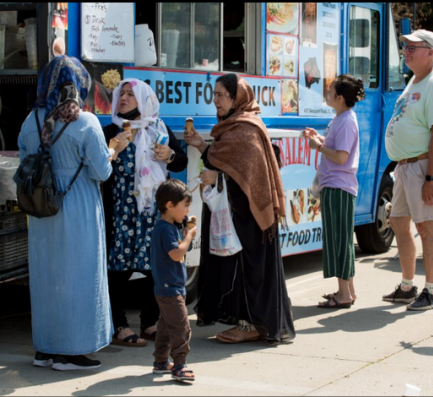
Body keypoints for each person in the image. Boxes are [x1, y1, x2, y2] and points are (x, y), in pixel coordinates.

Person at [184, 73, 295, 345]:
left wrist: (218, 178)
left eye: (221, 95)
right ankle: (247, 322)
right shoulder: (230, 127)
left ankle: (252, 325)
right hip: (239, 215)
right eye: (215, 95)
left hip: (252, 219)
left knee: (251, 270)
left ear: (236, 98)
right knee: (239, 268)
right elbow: (225, 161)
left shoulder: (246, 129)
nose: (216, 100)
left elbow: (248, 177)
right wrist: (200, 144)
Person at [18, 55, 113, 370]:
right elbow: (101, 172)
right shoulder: (85, 122)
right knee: (78, 277)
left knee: (48, 279)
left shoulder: (30, 121)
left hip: (42, 212)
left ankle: (45, 349)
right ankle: (70, 352)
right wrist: (112, 152)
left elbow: (25, 163)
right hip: (78, 210)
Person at [102, 78, 188, 347]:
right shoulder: (110, 132)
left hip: (151, 212)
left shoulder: (158, 129)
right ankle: (119, 325)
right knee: (117, 268)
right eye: (121, 94)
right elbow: (98, 170)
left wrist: (169, 156)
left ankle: (150, 322)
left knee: (155, 267)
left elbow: (181, 161)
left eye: (131, 94)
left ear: (144, 99)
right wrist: (114, 150)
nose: (124, 98)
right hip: (121, 212)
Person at [382, 30, 433, 311]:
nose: (406, 52)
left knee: (426, 226)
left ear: (431, 52)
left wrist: (431, 178)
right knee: (399, 222)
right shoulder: (416, 79)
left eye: (413, 47)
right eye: (405, 47)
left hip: (423, 166)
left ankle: (432, 291)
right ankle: (408, 286)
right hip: (406, 165)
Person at [302, 75, 365, 309]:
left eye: (330, 92)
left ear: (339, 98)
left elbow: (341, 157)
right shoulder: (341, 118)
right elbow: (337, 148)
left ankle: (344, 294)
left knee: (339, 240)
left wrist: (318, 146)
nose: (326, 95)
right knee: (341, 239)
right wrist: (319, 138)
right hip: (336, 185)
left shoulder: (346, 121)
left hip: (338, 186)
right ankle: (347, 290)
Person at [150, 179, 196, 381]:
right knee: (181, 327)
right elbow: (176, 254)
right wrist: (188, 237)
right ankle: (180, 365)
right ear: (169, 205)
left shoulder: (167, 226)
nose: (187, 210)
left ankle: (161, 361)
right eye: (184, 205)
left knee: (166, 327)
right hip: (170, 288)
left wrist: (185, 230)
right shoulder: (166, 229)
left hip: (166, 286)